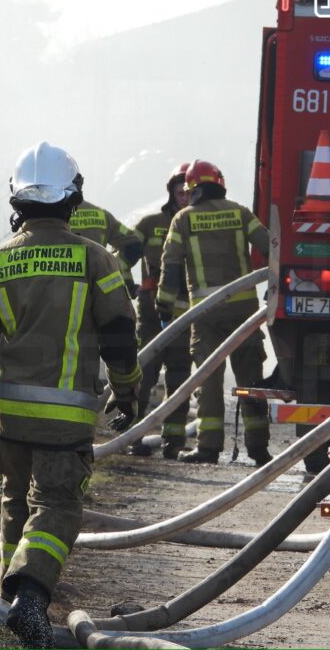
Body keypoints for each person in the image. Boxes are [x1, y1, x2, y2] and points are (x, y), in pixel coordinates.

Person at [0, 141, 141, 648]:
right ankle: (29, 595)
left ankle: (7, 608)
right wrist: (127, 393)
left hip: (9, 418)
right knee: (56, 507)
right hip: (64, 419)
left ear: (18, 200)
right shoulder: (95, 259)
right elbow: (120, 336)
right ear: (73, 198)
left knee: (15, 504)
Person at [156, 159, 272, 466]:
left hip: (206, 315)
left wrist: (164, 306)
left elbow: (170, 265)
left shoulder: (183, 219)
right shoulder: (239, 213)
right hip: (244, 312)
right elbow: (270, 246)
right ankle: (259, 447)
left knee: (208, 381)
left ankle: (208, 447)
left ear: (192, 189)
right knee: (251, 380)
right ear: (220, 183)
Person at [128, 163, 193, 459]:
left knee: (179, 377)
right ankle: (133, 437)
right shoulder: (150, 223)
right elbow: (123, 253)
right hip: (152, 313)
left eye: (189, 192)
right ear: (171, 193)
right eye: (180, 192)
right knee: (144, 375)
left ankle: (173, 441)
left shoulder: (197, 224)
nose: (184, 197)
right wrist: (124, 284)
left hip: (185, 314)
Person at [70, 198, 143, 294]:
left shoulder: (53, 216)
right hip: (100, 287)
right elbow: (134, 245)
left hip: (63, 288)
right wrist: (113, 267)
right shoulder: (102, 215)